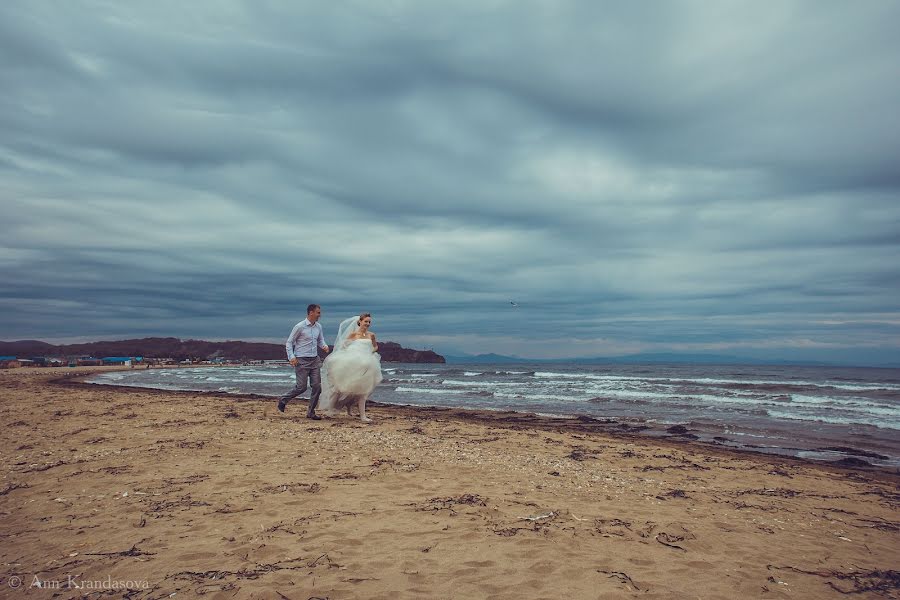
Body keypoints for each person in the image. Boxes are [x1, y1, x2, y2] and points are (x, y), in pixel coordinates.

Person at [319, 312, 383, 423]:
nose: (367, 323)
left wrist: (371, 351)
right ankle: (331, 410)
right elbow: (342, 346)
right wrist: (348, 354)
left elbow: (375, 346)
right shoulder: (353, 335)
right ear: (360, 322)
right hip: (353, 365)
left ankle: (363, 416)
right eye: (365, 321)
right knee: (341, 388)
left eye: (369, 322)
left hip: (367, 364)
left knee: (363, 391)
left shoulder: (371, 335)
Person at [278, 304, 330, 419]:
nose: (320, 315)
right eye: (318, 312)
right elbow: (289, 342)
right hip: (301, 360)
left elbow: (320, 340)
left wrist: (324, 346)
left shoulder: (318, 327)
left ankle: (311, 413)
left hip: (315, 360)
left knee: (317, 387)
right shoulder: (299, 326)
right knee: (301, 387)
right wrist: (291, 357)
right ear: (311, 312)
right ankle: (283, 399)